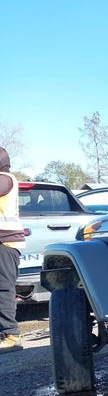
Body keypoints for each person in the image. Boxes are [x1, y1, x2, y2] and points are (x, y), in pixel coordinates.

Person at [0, 147, 26, 352]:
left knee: (3, 289)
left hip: (6, 242)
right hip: (4, 241)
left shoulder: (5, 179)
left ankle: (11, 335)